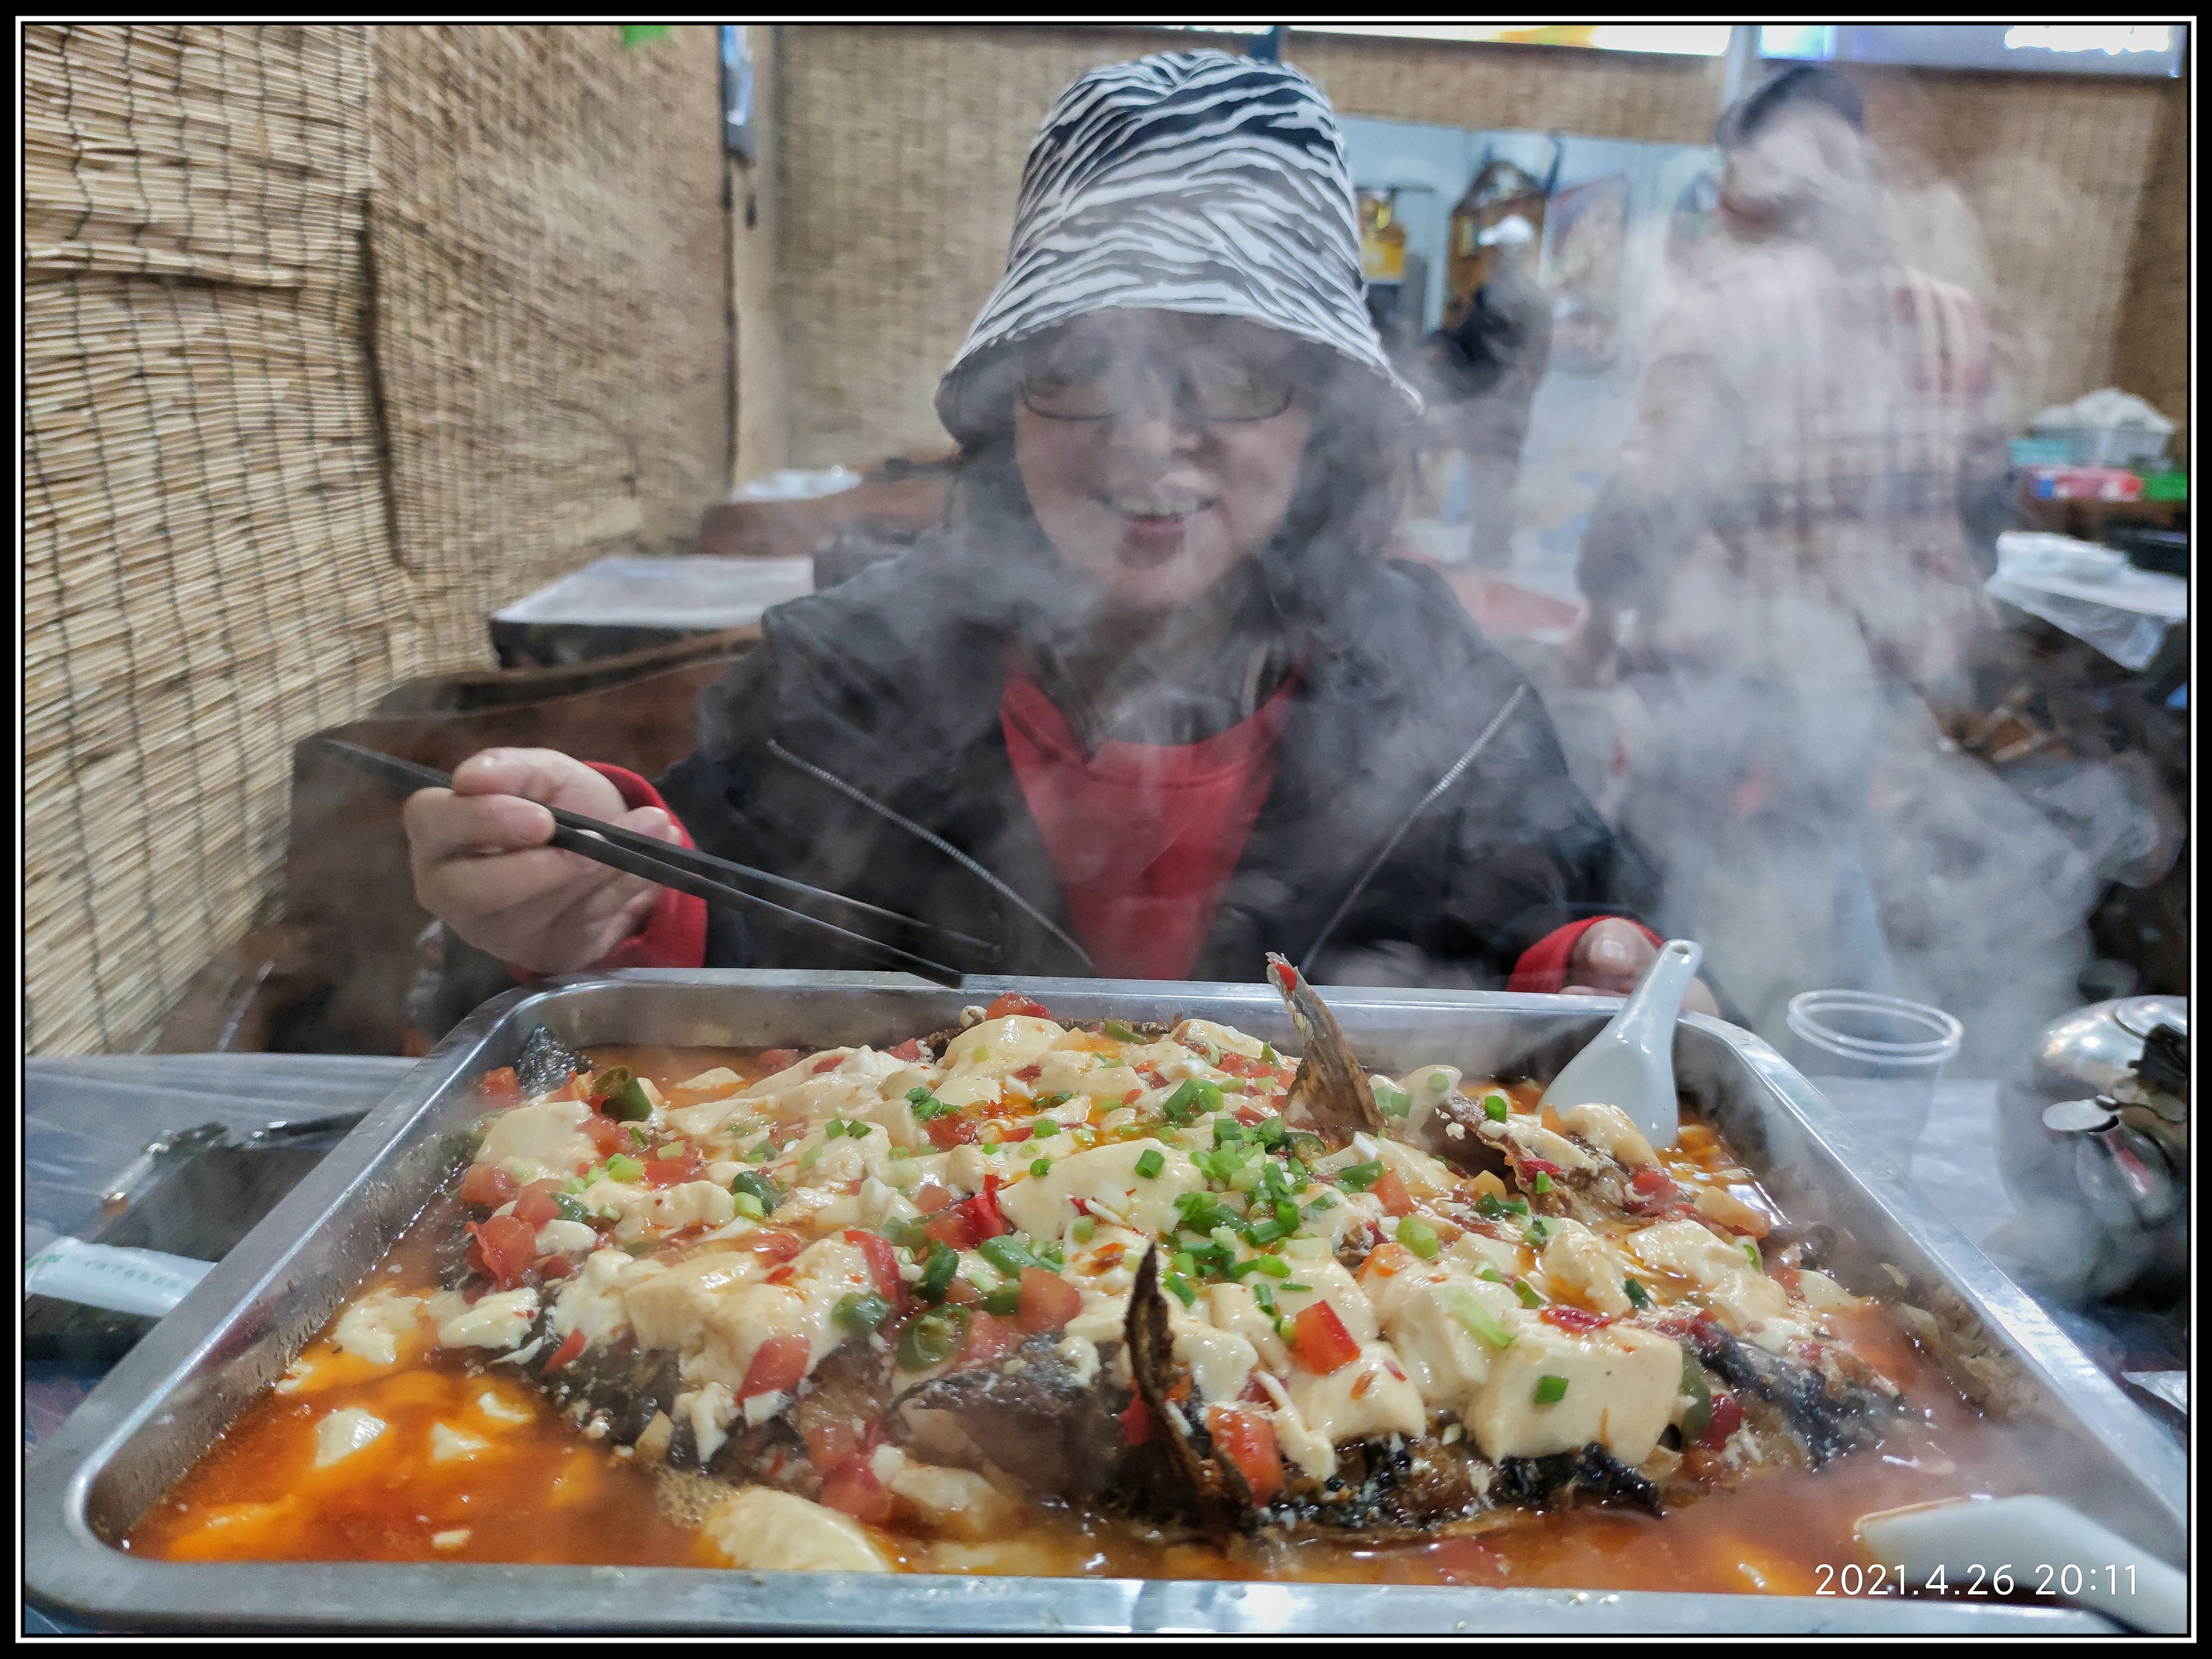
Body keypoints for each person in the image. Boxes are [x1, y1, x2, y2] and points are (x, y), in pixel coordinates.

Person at [407, 51, 1714, 1016]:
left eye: (1235, 372)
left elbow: (1561, 942)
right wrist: (590, 896)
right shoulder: (848, 669)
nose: (1147, 442)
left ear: (1322, 421)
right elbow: (709, 917)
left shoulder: (1448, 699)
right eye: (1078, 372)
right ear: (1005, 408)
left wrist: (1604, 972)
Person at [1564, 64, 2002, 1022]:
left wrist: (1598, 613)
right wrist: (1934, 622)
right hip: (1871, 666)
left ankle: (1649, 1047)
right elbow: (1982, 498)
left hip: (1722, 663)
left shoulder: (1724, 312)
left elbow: (1649, 496)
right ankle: (1857, 1056)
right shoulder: (1949, 315)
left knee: (1655, 866)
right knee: (1822, 845)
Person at [1418, 216, 1553, 571]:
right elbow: (1469, 344)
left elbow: (1517, 365)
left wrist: (1488, 406)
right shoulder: (1500, 297)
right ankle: (1488, 553)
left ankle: (1491, 555)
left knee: (1493, 481)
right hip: (1494, 406)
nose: (1492, 258)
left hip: (1497, 408)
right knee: (1487, 481)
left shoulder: (1515, 302)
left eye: (1498, 251)